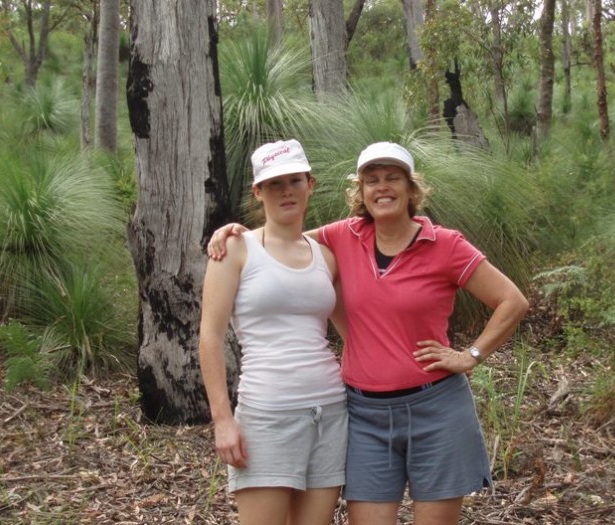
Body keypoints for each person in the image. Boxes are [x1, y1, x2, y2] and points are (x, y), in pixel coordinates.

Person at [208, 141, 530, 525]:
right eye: (371, 180)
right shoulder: (343, 237)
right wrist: (234, 234)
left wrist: (470, 355)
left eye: (393, 178)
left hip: (432, 408)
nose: (382, 187)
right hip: (363, 414)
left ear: (412, 188)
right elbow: (282, 240)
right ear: (359, 191)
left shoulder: (444, 244)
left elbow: (513, 301)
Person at [198, 139, 348, 525]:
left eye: (295, 180)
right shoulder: (235, 249)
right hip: (267, 414)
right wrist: (223, 421)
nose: (286, 190)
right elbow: (210, 337)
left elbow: (352, 332)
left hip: (330, 412)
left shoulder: (325, 255)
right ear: (258, 191)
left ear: (310, 185)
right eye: (274, 183)